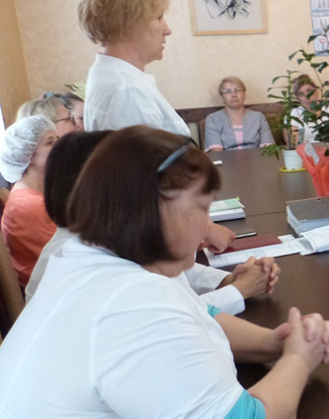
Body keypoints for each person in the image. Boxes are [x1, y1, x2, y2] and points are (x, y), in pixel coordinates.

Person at [0, 126, 329, 419]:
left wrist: (274, 343)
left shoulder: (85, 255)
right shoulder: (133, 303)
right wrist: (298, 358)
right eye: (202, 208)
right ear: (151, 206)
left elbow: (199, 317)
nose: (207, 225)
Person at [24, 131, 277, 314]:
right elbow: (171, 315)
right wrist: (239, 290)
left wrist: (228, 281)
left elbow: (178, 278)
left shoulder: (103, 238)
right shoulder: (78, 256)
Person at [79, 0, 191, 136]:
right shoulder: (126, 91)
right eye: (159, 18)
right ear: (128, 25)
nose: (167, 30)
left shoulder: (115, 77)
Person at [0, 116, 58, 288]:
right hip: (50, 290)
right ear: (29, 154)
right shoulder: (29, 205)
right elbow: (70, 256)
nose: (59, 147)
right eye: (50, 143)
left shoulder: (32, 196)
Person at [204, 76, 274, 151]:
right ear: (222, 97)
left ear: (244, 95)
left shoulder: (258, 117)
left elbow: (268, 148)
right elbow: (217, 152)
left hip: (256, 157)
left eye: (237, 90)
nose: (234, 95)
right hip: (227, 158)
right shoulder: (213, 119)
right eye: (227, 91)